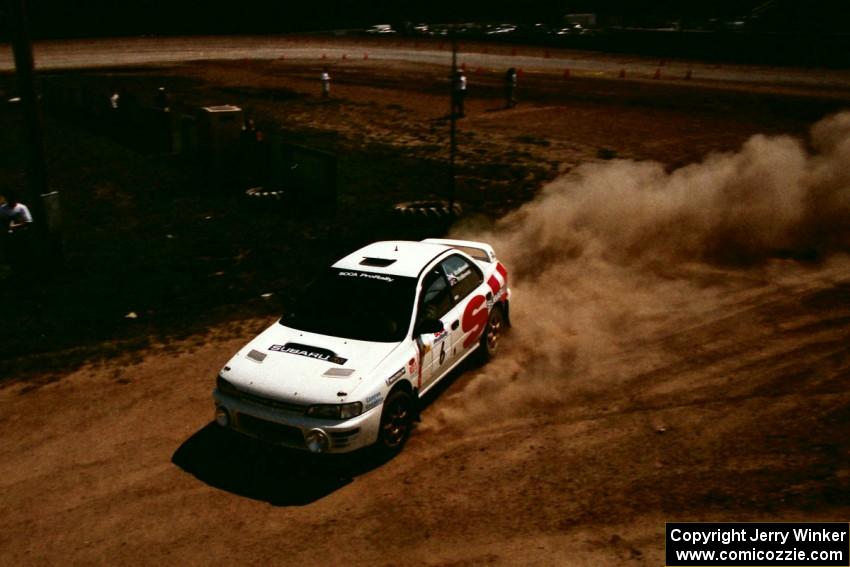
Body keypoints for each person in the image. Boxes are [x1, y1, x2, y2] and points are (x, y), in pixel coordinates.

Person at [0, 191, 34, 274]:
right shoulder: (2, 209)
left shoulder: (21, 208)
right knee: (11, 256)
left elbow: (29, 221)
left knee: (23, 255)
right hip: (8, 238)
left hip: (21, 236)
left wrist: (15, 226)